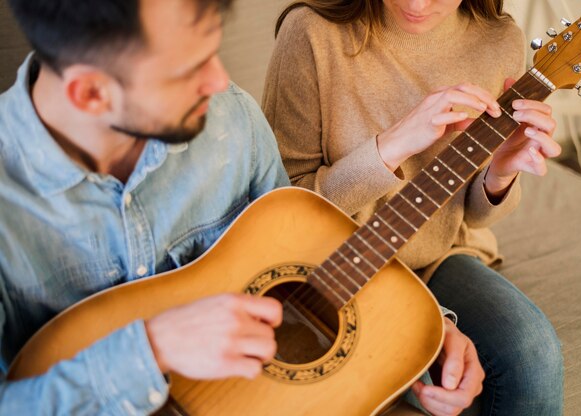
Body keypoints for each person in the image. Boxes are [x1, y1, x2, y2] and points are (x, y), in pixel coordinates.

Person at [0, 0, 482, 414]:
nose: (220, 82)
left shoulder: (232, 121)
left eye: (215, 50)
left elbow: (301, 258)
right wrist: (152, 348)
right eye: (190, 68)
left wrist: (422, 333)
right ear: (90, 92)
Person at [263, 0, 564, 415]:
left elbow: (473, 216)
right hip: (325, 264)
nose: (417, 3)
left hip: (435, 258)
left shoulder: (499, 41)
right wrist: (395, 143)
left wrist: (500, 174)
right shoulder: (311, 33)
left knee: (534, 354)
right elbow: (280, 207)